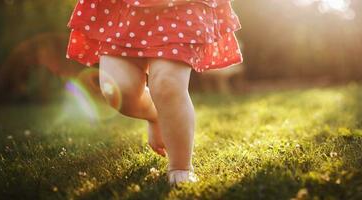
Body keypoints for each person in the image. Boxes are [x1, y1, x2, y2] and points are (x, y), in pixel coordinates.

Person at [65, 0, 243, 185]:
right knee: (119, 90)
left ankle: (180, 167)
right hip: (124, 9)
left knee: (168, 84)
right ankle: (157, 113)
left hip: (181, 7)